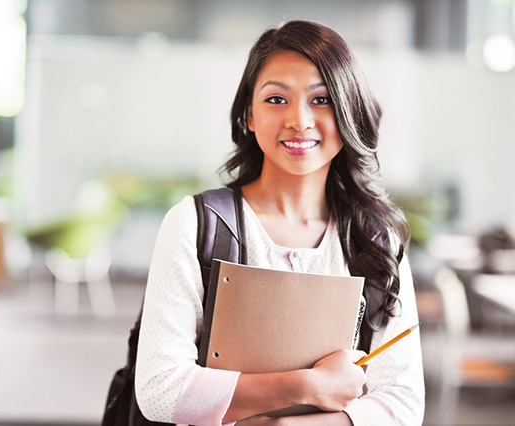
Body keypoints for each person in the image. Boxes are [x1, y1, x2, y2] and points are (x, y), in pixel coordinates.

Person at [135, 19, 425, 426]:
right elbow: (161, 391)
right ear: (249, 116)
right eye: (276, 99)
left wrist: (286, 425)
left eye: (321, 100)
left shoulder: (376, 239)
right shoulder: (195, 224)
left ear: (348, 112)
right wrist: (307, 386)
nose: (299, 120)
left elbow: (403, 402)